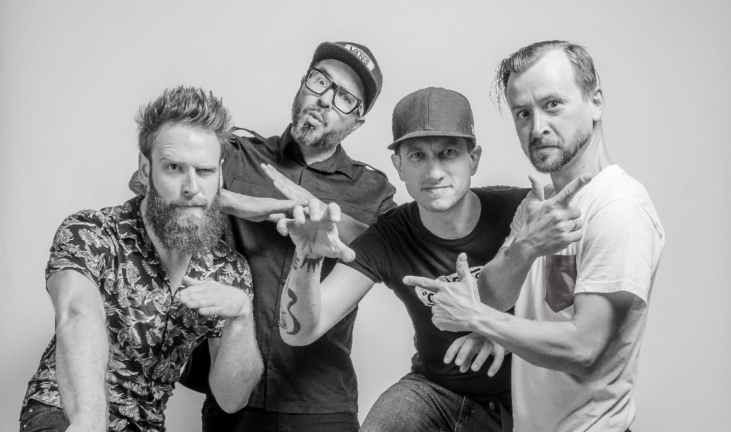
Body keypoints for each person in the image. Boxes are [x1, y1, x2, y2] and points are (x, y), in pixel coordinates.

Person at [404, 41, 665, 432]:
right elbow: (495, 297)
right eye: (523, 113)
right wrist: (527, 247)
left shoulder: (618, 207)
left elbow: (584, 348)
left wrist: (480, 320)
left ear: (595, 103)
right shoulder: (537, 202)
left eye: (553, 105)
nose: (537, 127)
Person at [167, 41, 397, 432]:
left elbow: (400, 254)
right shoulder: (235, 154)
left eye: (345, 98)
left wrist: (331, 219)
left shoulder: (373, 190)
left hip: (322, 406)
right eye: (320, 81)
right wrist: (237, 202)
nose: (325, 100)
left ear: (356, 123)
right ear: (303, 83)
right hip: (232, 399)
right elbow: (151, 184)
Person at [276, 87, 529, 432]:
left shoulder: (520, 211)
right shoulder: (390, 237)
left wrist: (503, 330)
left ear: (473, 159)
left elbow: (579, 310)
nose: (434, 172)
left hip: (530, 392)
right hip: (436, 392)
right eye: (417, 156)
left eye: (448, 153)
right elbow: (302, 331)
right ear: (398, 166)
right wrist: (306, 259)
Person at [19, 86, 261, 432]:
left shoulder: (229, 269)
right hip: (65, 414)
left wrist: (241, 317)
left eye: (205, 171)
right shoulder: (92, 232)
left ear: (220, 173)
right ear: (146, 169)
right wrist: (88, 420)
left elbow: (230, 399)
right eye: (174, 167)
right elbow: (76, 313)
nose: (191, 187)